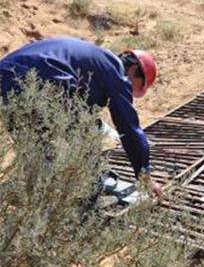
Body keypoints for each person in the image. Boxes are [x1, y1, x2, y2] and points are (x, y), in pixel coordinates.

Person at [0, 37, 163, 198]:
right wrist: (144, 175)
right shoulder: (115, 71)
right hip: (42, 79)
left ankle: (36, 197)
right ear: (134, 69)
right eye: (138, 85)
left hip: (5, 77)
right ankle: (90, 189)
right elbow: (128, 126)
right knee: (86, 133)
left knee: (35, 145)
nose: (131, 91)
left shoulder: (96, 61)